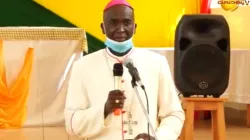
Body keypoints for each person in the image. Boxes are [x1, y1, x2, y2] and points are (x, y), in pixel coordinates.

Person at [64, 0, 185, 139]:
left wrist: (158, 137)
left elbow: (174, 114)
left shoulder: (157, 63)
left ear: (135, 27)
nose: (120, 29)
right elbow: (71, 123)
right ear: (103, 27)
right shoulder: (82, 67)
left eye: (126, 23)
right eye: (113, 23)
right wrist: (104, 110)